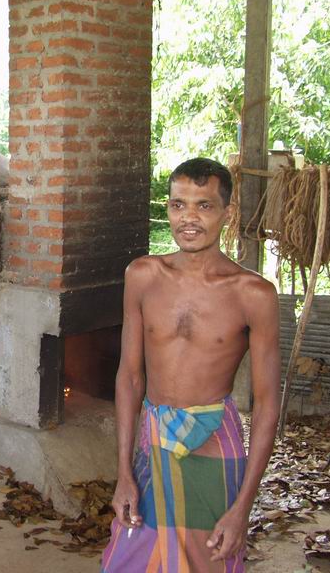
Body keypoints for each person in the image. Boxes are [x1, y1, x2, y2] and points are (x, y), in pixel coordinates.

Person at [100, 157, 281, 572]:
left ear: (227, 213)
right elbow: (129, 377)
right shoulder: (143, 275)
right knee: (128, 557)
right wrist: (123, 471)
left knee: (209, 560)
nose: (189, 219)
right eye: (179, 205)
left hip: (215, 444)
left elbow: (269, 404)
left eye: (204, 205)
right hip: (151, 443)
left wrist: (243, 508)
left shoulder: (253, 294)